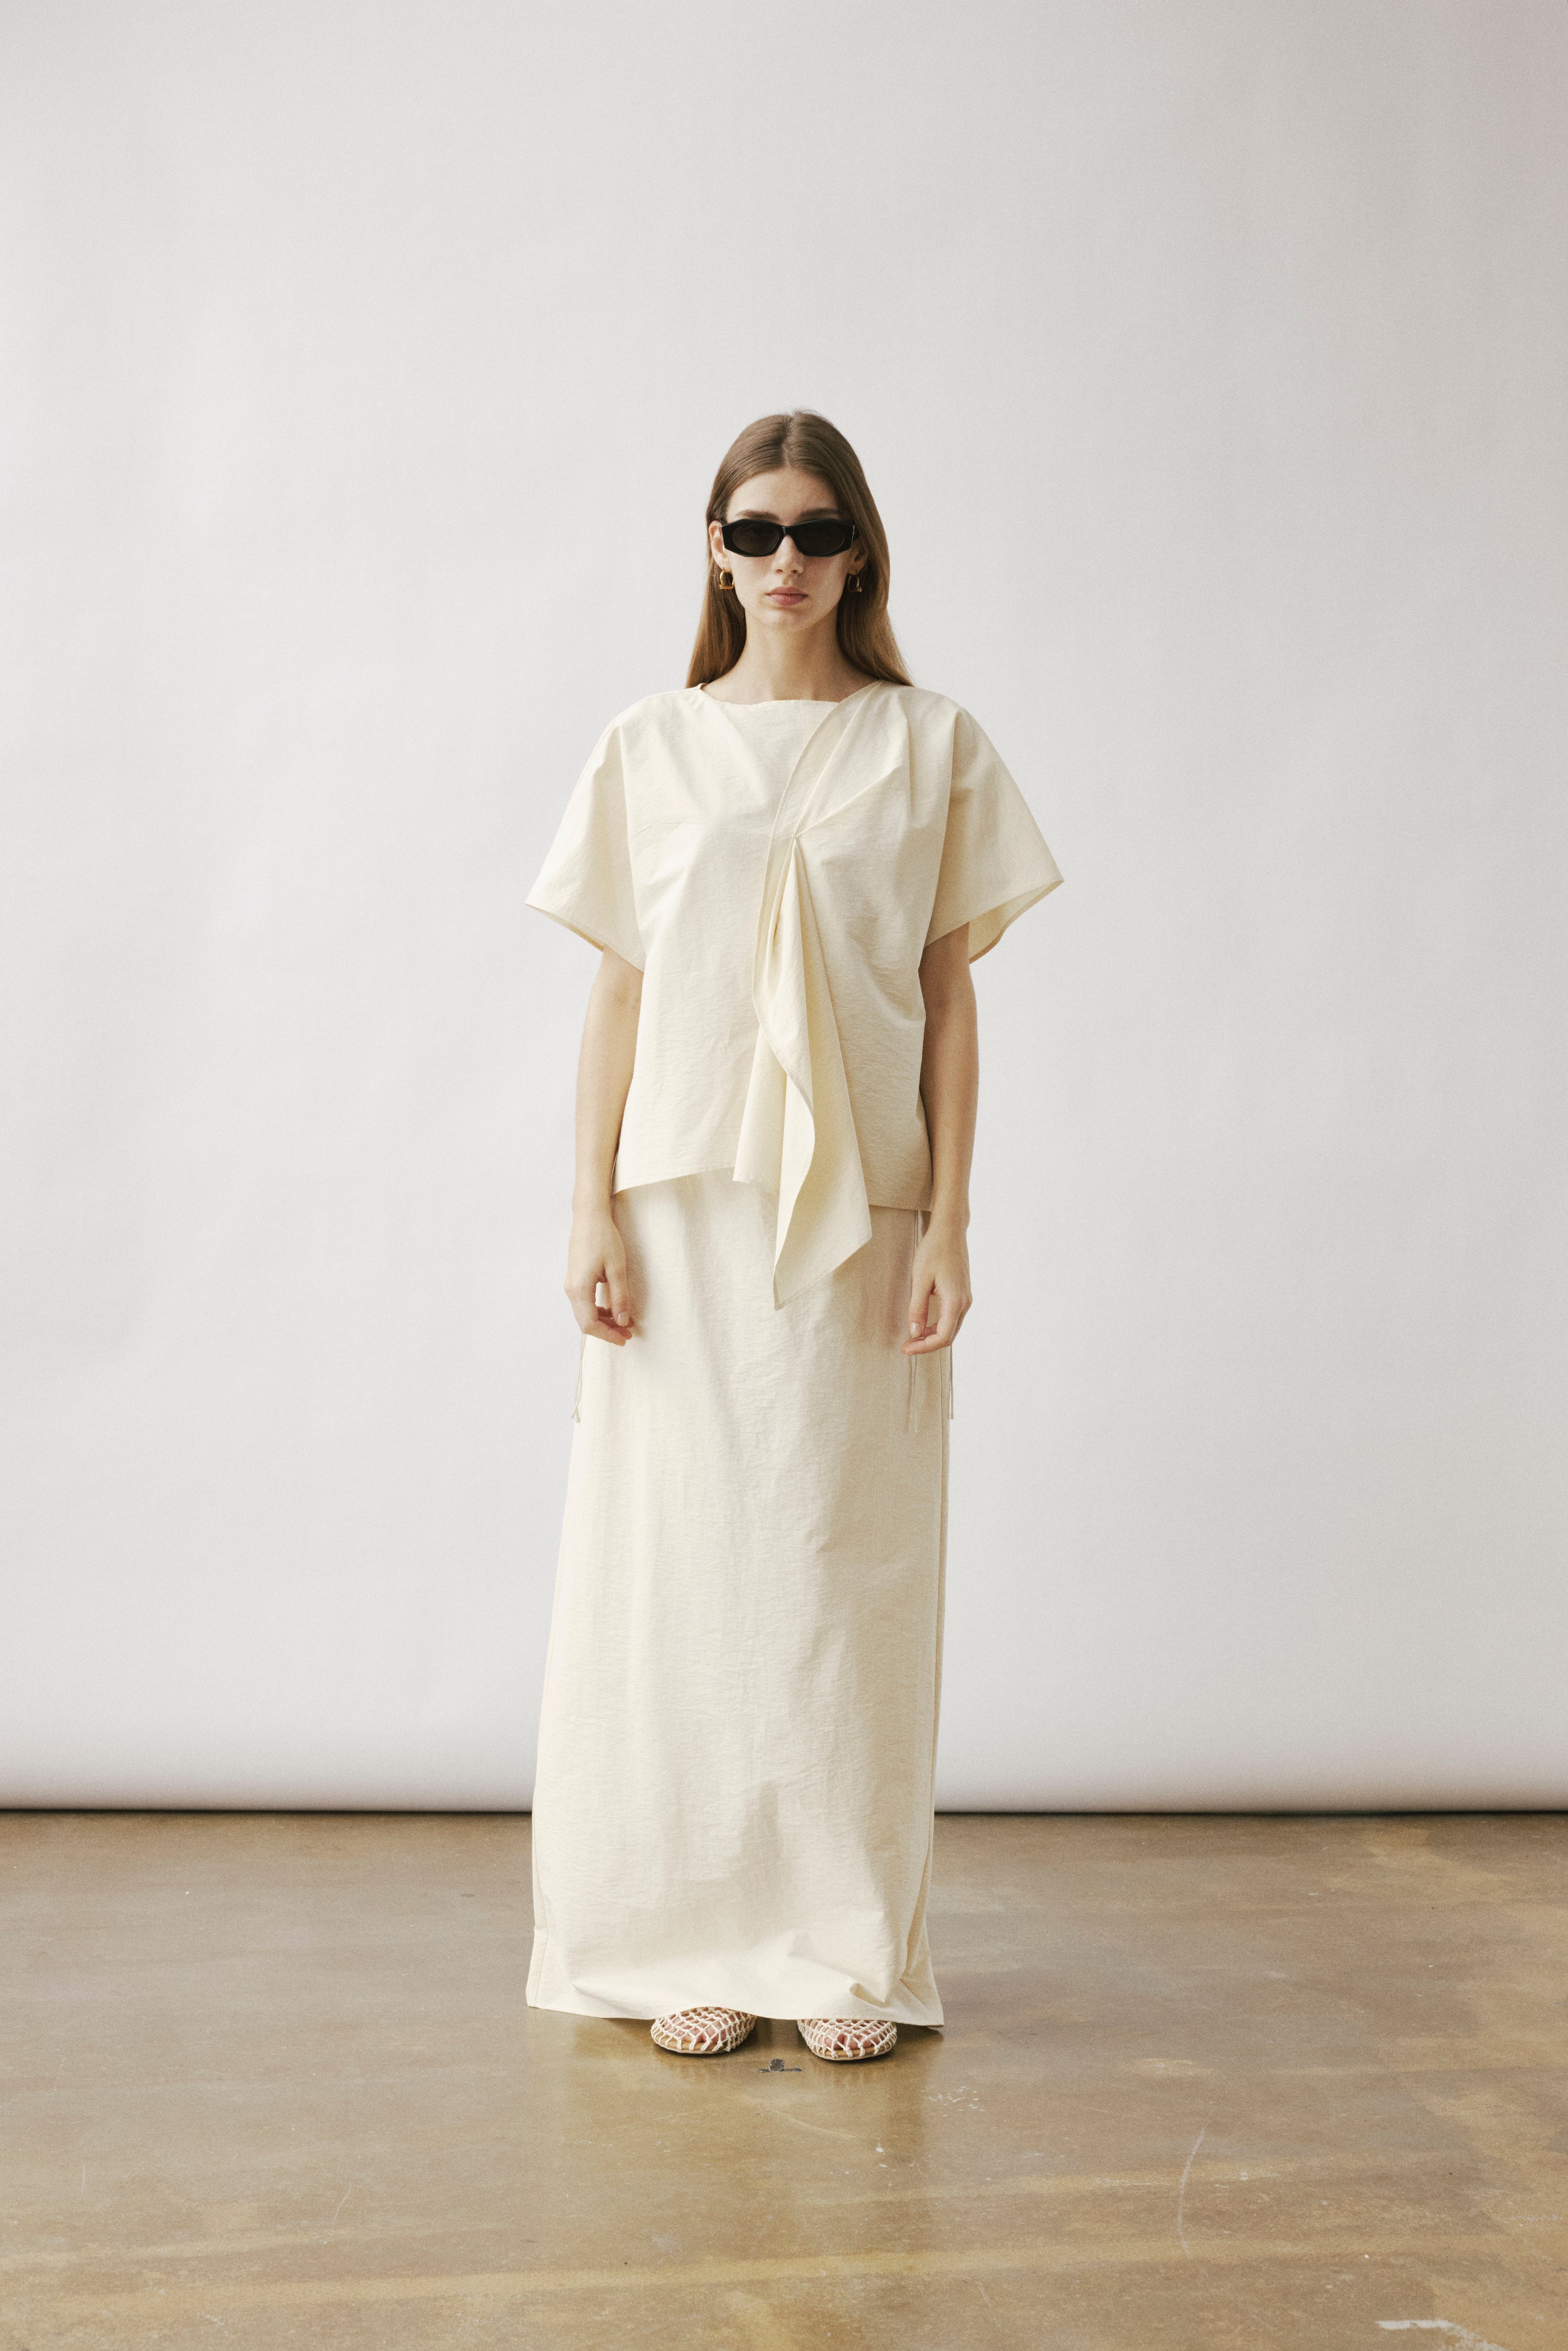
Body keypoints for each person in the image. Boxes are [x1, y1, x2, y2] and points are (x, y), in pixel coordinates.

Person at [524, 410, 1062, 2063]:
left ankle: (839, 1946)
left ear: (859, 553)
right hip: (684, 1205)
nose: (784, 562)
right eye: (753, 531)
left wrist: (950, 1220)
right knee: (680, 1570)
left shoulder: (931, 745)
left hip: (864, 1214)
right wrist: (588, 1204)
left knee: (843, 1568)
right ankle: (680, 1933)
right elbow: (620, 995)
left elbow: (948, 1002)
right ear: (714, 549)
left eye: (816, 532)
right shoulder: (651, 746)